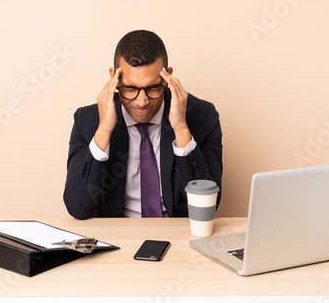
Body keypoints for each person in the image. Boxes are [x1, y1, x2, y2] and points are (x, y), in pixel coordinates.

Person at [63, 30, 222, 219]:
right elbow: (78, 208)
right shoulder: (87, 121)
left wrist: (181, 128)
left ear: (168, 76)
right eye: (130, 88)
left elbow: (208, 208)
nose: (142, 101)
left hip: (178, 236)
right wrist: (104, 130)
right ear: (114, 78)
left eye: (153, 87)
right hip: (119, 239)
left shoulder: (202, 116)